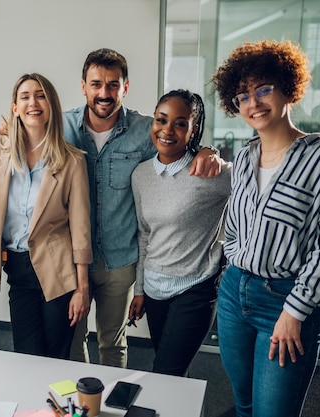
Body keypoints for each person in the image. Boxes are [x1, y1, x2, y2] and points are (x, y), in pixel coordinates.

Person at [212, 39, 320, 417]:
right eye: (243, 96)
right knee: (243, 404)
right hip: (234, 293)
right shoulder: (243, 159)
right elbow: (234, 225)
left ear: (287, 88)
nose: (254, 103)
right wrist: (233, 264)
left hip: (287, 301)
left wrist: (295, 310)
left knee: (273, 412)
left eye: (264, 90)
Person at [64, 48, 222, 367]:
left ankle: (111, 413)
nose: (104, 93)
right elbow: (30, 140)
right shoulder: (63, 128)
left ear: (125, 87)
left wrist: (209, 149)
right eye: (96, 84)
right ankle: (80, 410)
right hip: (73, 260)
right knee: (72, 341)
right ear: (83, 86)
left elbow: (180, 138)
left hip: (120, 259)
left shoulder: (145, 128)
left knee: (112, 342)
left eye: (112, 84)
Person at [0, 73, 92, 359]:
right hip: (17, 268)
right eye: (25, 96)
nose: (33, 102)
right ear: (15, 107)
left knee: (56, 356)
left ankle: (56, 405)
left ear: (51, 105)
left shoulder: (72, 160)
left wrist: (82, 288)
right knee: (26, 355)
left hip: (58, 270)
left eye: (40, 95)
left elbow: (80, 229)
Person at [128, 90, 231, 377]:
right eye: (161, 120)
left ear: (193, 129)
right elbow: (144, 235)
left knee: (165, 372)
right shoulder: (140, 175)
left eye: (180, 123)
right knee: (170, 374)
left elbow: (255, 187)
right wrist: (138, 290)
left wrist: (213, 153)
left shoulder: (212, 173)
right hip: (153, 289)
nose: (167, 130)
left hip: (195, 288)